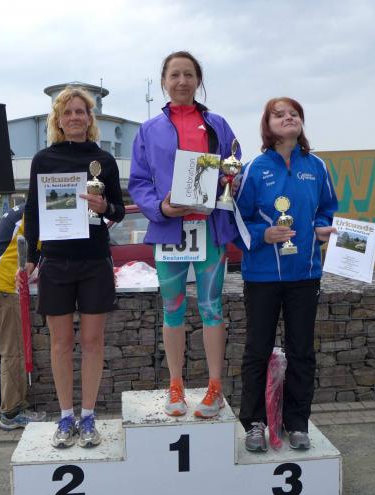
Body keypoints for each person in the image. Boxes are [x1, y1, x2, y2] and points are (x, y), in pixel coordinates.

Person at [128, 51, 240, 419]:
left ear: (198, 80)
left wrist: (230, 181)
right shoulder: (148, 130)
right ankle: (175, 384)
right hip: (169, 229)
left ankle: (215, 387)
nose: (182, 81)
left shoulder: (218, 125)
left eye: (189, 74)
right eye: (174, 74)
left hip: (209, 228)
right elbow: (139, 181)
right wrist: (160, 207)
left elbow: (234, 167)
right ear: (164, 81)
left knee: (211, 308)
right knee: (172, 308)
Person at [23, 86, 125, 448]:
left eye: (80, 111)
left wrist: (104, 208)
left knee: (93, 342)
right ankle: (66, 417)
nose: (74, 117)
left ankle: (89, 416)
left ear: (89, 117)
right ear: (58, 120)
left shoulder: (104, 161)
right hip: (55, 261)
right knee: (61, 343)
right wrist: (31, 258)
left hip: (94, 260)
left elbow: (119, 210)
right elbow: (33, 211)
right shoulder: (43, 160)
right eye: (67, 112)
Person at [234, 97, 338, 452]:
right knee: (257, 350)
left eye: (294, 113)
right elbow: (238, 219)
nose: (288, 118)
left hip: (305, 273)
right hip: (261, 276)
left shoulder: (318, 166)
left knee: (302, 351)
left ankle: (297, 423)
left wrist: (322, 228)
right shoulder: (253, 168)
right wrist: (263, 234)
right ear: (267, 125)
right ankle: (254, 423)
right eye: (279, 114)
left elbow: (327, 209)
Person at [0, 202, 45, 430]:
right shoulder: (38, 214)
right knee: (13, 351)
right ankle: (12, 412)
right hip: (2, 284)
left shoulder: (20, 209)